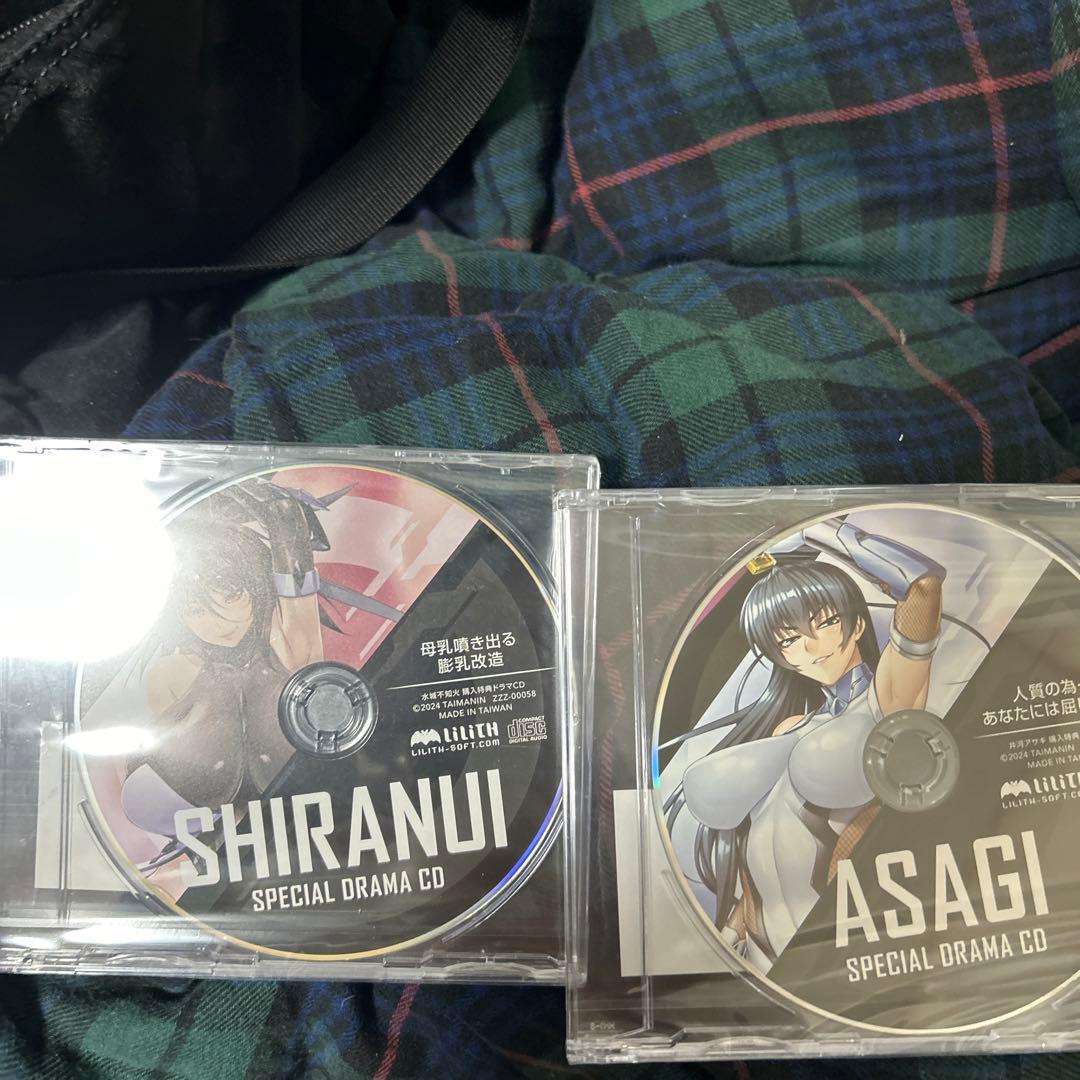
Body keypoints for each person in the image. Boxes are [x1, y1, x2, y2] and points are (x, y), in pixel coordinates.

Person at [669, 517, 945, 973]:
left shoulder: (888, 700)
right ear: (779, 656)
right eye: (790, 640)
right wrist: (730, 935)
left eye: (826, 622)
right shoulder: (791, 727)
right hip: (757, 955)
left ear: (857, 624)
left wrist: (815, 531)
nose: (812, 646)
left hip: (829, 949)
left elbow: (923, 586)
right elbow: (762, 841)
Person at [121, 479, 328, 841]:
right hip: (209, 835)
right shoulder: (173, 673)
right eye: (197, 611)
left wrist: (284, 518)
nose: (219, 624)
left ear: (257, 589)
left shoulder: (287, 646)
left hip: (309, 825)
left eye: (232, 597)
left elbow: (297, 588)